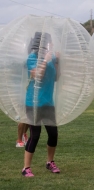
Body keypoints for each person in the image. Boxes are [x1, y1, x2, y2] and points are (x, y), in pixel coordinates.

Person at [22, 32, 60, 177]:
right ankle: (26, 168)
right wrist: (45, 60)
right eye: (46, 44)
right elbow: (37, 75)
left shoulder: (51, 58)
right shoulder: (31, 58)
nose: (48, 46)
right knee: (35, 135)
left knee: (53, 134)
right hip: (33, 103)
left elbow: (56, 78)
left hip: (48, 102)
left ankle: (50, 162)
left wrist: (57, 62)